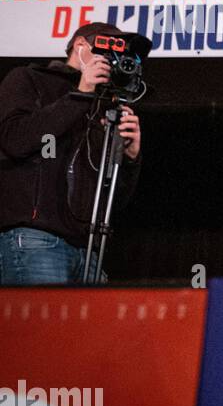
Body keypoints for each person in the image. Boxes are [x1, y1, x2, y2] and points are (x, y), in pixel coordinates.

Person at [0, 22, 143, 285]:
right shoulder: (29, 78)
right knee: (43, 326)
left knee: (85, 328)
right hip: (37, 238)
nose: (115, 60)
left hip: (88, 250)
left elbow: (113, 199)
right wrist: (80, 93)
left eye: (122, 56)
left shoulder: (107, 106)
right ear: (80, 47)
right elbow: (15, 141)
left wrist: (130, 158)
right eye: (109, 50)